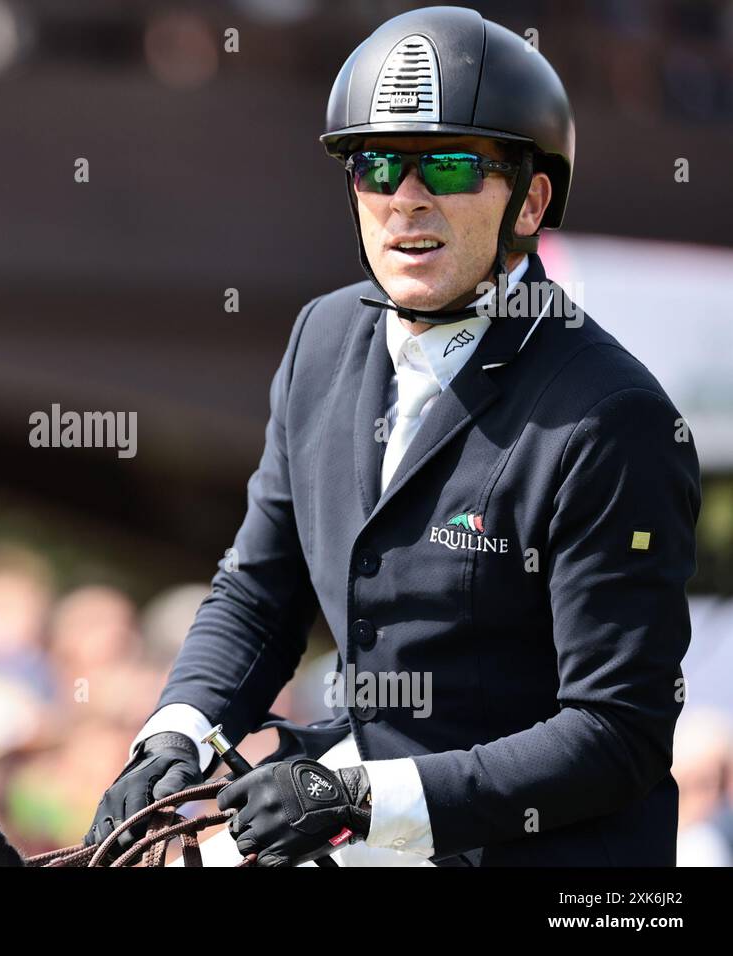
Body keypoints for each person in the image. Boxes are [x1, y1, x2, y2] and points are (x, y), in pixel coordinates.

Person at [84, 5, 701, 867]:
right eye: (379, 166)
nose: (407, 198)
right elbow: (261, 594)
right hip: (353, 818)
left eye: (448, 166)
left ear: (531, 200)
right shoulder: (322, 340)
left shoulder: (613, 417)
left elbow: (615, 734)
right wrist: (177, 731)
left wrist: (362, 800)